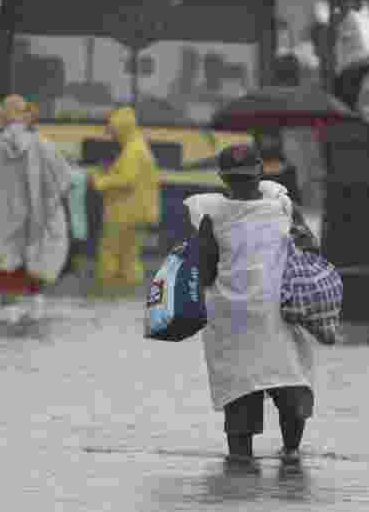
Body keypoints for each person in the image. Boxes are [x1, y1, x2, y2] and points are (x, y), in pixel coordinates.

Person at [184, 144, 316, 464]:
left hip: (239, 322)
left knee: (244, 397)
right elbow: (311, 248)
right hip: (269, 319)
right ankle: (289, 462)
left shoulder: (212, 215)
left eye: (243, 179)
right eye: (240, 179)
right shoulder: (282, 208)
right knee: (290, 390)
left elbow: (203, 271)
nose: (243, 185)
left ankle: (244, 481)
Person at [0, 94, 74, 322]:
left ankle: (6, 332)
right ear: (26, 118)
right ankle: (32, 329)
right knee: (35, 280)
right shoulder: (44, 146)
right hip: (35, 227)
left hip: (2, 228)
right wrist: (67, 223)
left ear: (2, 118)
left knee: (5, 283)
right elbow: (64, 185)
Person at [88, 106, 161, 287]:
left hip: (126, 213)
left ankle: (109, 287)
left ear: (122, 129)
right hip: (134, 212)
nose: (112, 136)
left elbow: (127, 179)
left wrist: (100, 181)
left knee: (111, 251)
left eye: (113, 131)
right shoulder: (136, 147)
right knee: (129, 255)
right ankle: (127, 291)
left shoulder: (134, 150)